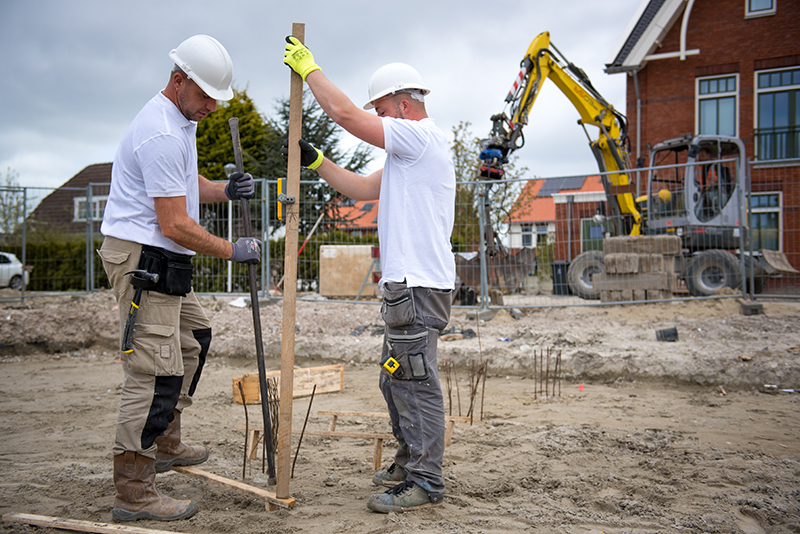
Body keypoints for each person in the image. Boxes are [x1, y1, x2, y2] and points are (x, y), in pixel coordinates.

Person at [283, 37, 456, 513]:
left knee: (415, 381)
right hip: (406, 288)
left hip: (419, 287)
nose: (378, 118)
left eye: (381, 109)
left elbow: (345, 116)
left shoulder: (421, 137)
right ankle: (409, 461)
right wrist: (316, 160)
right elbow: (360, 188)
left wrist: (310, 70)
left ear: (403, 104)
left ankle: (426, 481)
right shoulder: (407, 156)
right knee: (394, 378)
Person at [98, 34, 261, 522]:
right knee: (152, 372)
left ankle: (166, 442)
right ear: (178, 80)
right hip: (143, 260)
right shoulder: (163, 132)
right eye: (206, 95)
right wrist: (234, 249)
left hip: (163, 260)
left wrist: (226, 191)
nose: (212, 106)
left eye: (217, 98)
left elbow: (185, 191)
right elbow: (175, 224)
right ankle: (134, 491)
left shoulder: (181, 120)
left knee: (193, 339)